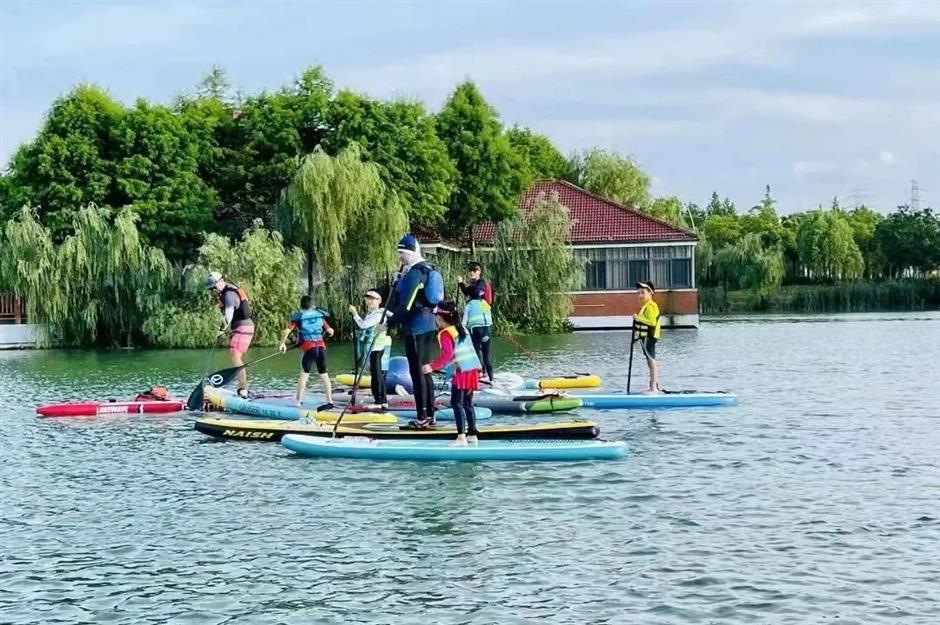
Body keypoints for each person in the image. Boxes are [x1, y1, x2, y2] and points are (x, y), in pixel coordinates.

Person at [382, 234, 444, 429]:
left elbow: (405, 307)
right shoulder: (428, 269)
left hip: (416, 329)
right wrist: (400, 282)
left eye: (402, 253)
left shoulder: (415, 273)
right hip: (429, 325)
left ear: (410, 252)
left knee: (417, 374)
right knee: (425, 371)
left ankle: (422, 417)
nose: (400, 257)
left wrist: (387, 323)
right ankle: (430, 415)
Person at [423, 301, 482, 445]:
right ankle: (472, 434)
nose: (436, 320)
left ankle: (461, 436)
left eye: (436, 318)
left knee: (456, 403)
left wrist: (432, 367)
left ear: (441, 319)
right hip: (472, 369)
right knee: (467, 403)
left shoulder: (445, 333)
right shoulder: (461, 329)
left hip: (461, 372)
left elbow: (447, 355)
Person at [279, 295, 336, 409]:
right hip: (320, 348)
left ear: (301, 306)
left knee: (304, 376)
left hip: (309, 349)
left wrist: (282, 344)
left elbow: (286, 331)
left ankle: (298, 401)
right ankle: (330, 401)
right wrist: (324, 334)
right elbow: (331, 331)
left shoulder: (299, 317)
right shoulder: (320, 317)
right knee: (324, 375)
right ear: (313, 306)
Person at [206, 271, 254, 398]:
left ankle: (244, 389)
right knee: (234, 356)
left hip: (244, 327)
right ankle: (243, 388)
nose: (213, 290)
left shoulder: (229, 295)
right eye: (211, 289)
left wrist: (221, 329)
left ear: (220, 282)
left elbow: (229, 315)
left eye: (214, 287)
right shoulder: (226, 293)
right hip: (242, 328)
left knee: (235, 355)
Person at [349, 290, 392, 409]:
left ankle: (379, 401)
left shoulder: (378, 314)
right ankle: (382, 400)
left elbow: (363, 325)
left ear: (379, 301)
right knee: (377, 373)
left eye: (372, 299)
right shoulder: (371, 313)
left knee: (377, 373)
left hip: (377, 347)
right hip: (374, 347)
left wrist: (354, 314)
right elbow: (366, 330)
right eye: (367, 298)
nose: (369, 301)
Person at [458, 261, 494, 383]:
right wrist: (461, 284)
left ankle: (487, 377)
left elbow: (472, 292)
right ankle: (485, 375)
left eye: (475, 270)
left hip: (481, 327)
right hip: (480, 326)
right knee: (480, 352)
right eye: (471, 271)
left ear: (479, 272)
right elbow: (468, 291)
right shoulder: (474, 292)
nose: (472, 272)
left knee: (481, 353)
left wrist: (465, 287)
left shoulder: (481, 284)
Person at [633, 281, 662, 394]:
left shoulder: (651, 306)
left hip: (650, 337)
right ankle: (652, 386)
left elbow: (652, 322)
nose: (640, 295)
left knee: (651, 360)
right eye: (639, 293)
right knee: (649, 361)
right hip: (645, 338)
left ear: (650, 293)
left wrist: (638, 318)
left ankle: (654, 388)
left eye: (643, 293)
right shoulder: (645, 306)